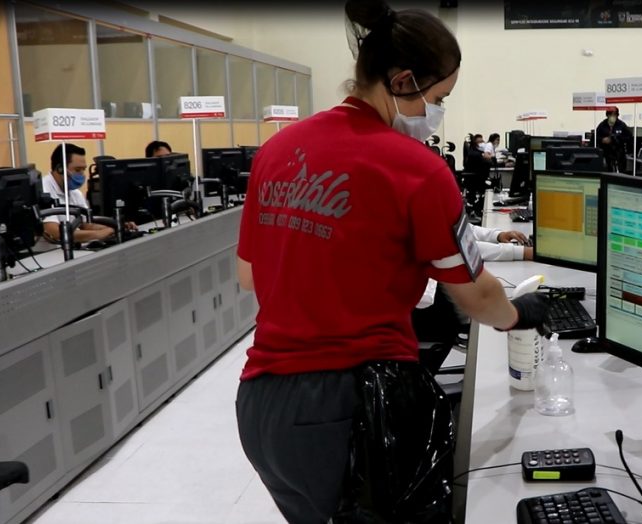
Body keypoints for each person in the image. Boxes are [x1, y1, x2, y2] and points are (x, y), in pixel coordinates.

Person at [234, 2, 549, 523]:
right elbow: (478, 297)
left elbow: (248, 275)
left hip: (264, 409)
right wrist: (520, 314)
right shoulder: (416, 169)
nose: (437, 112)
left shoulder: (278, 150)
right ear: (403, 82)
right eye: (439, 98)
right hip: (349, 407)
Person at [41, 144, 115, 244]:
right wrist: (98, 234)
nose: (82, 174)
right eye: (77, 170)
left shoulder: (75, 193)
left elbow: (86, 224)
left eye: (83, 169)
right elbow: (56, 232)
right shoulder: (43, 190)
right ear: (60, 169)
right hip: (49, 252)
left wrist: (112, 228)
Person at [595, 107, 631, 172]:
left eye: (614, 115)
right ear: (607, 115)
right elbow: (595, 138)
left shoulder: (622, 125)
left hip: (619, 153)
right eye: (610, 115)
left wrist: (618, 138)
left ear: (617, 115)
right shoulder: (602, 125)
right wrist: (602, 140)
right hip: (606, 153)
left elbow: (628, 138)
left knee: (621, 171)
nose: (612, 117)